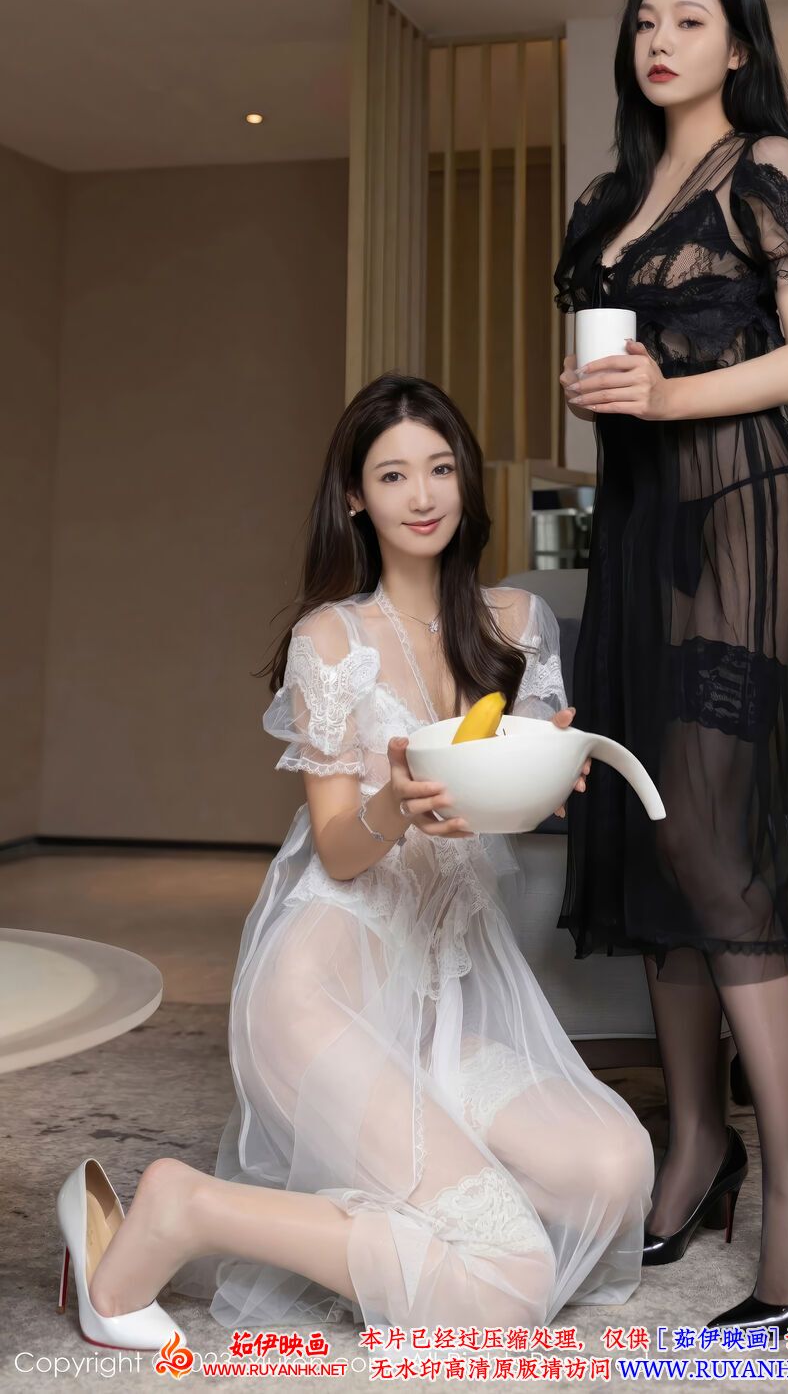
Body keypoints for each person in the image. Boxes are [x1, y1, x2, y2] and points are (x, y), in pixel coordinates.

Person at [55, 373, 653, 1348]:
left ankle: (406, 1207)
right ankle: (185, 1210)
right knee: (508, 1285)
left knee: (614, 1173)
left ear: (465, 481)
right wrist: (392, 804)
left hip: (439, 1005)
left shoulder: (516, 623)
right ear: (354, 499)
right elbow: (338, 850)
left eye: (440, 469)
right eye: (392, 475)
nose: (422, 496)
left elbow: (509, 793)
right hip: (323, 996)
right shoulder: (330, 639)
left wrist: (552, 775)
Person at [552, 0, 788, 1331]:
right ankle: (696, 1145)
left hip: (742, 513)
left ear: (737, 45)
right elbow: (618, 376)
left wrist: (669, 399)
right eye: (644, 20)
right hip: (637, 528)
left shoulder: (765, 164)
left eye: (690, 19)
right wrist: (608, 392)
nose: (659, 38)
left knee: (706, 834)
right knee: (649, 828)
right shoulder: (607, 203)